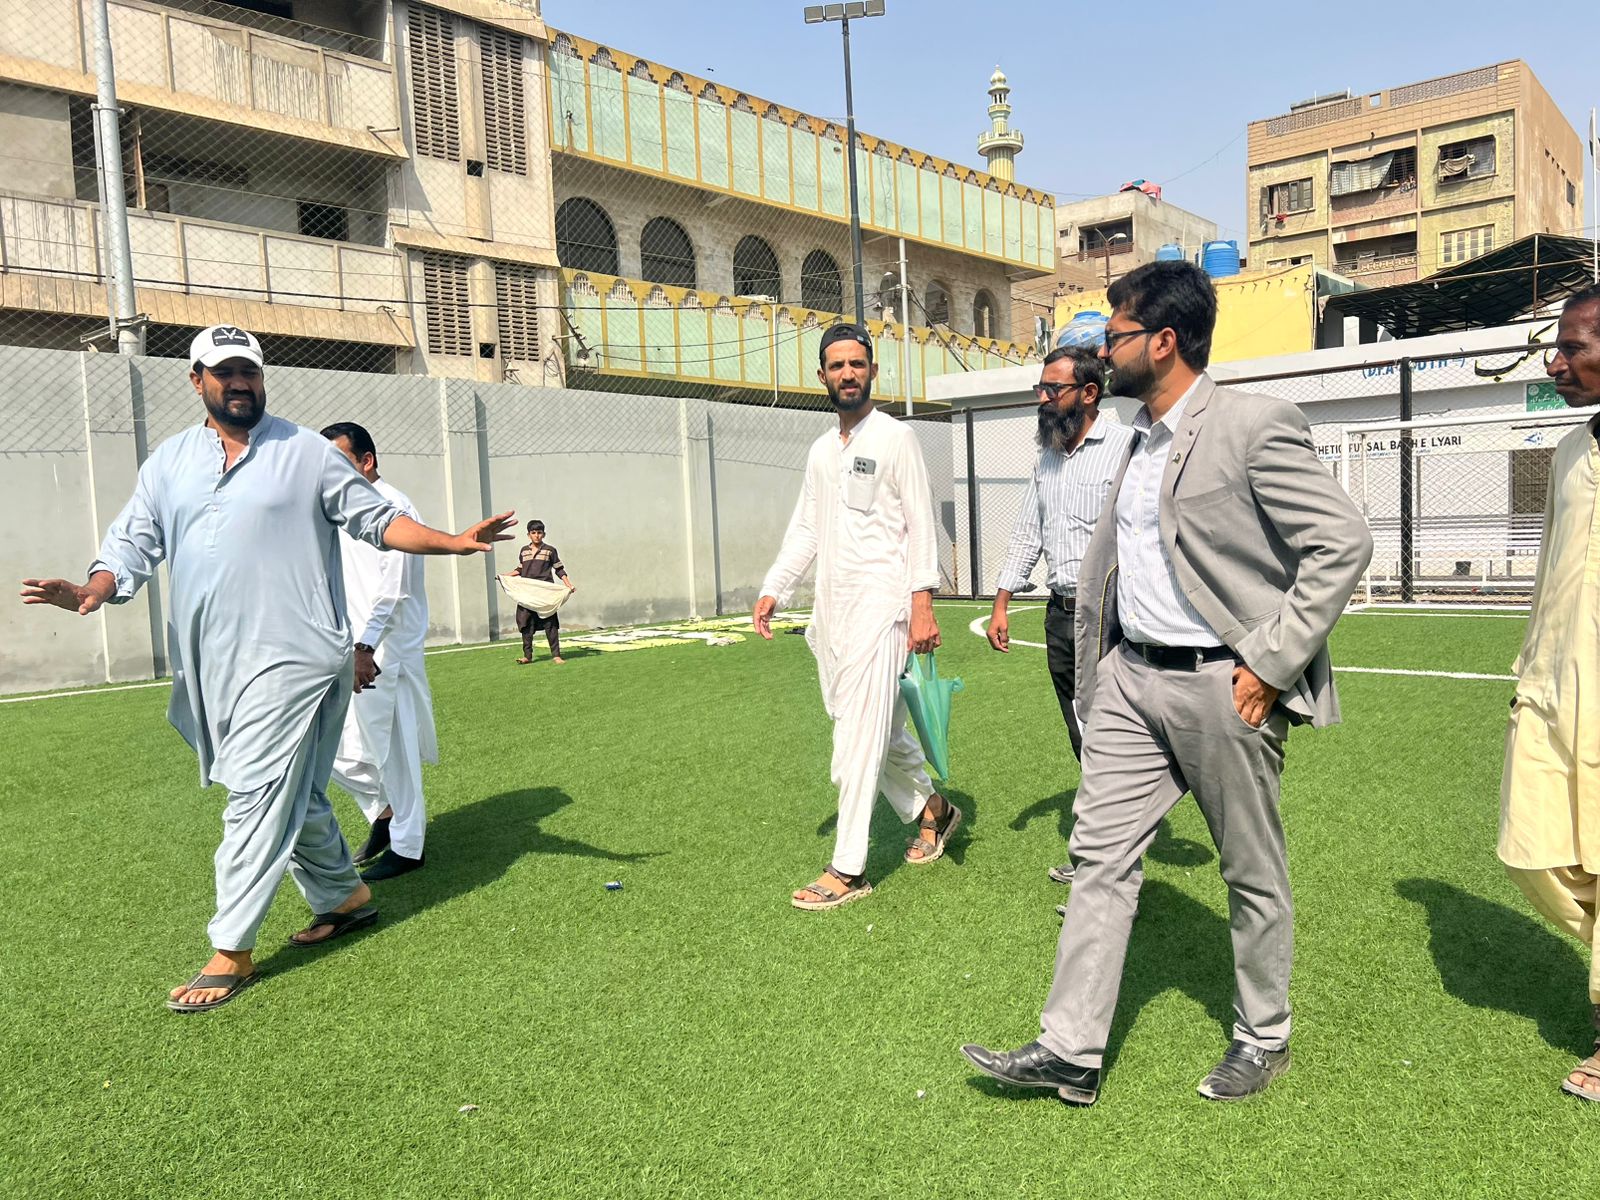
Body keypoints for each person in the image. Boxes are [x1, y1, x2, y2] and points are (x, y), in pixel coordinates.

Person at [961, 261, 1372, 1104]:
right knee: (1097, 858)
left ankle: (1264, 1036)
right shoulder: (1135, 438)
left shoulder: (1253, 424)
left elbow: (1344, 544)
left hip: (1225, 687)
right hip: (1131, 680)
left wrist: (1271, 661)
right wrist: (1107, 664)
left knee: (1249, 870)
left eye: (1113, 336)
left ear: (1164, 340)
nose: (1102, 351)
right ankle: (1070, 1050)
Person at [20, 325, 514, 1014]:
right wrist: (96, 587)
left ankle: (232, 948)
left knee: (255, 791)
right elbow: (135, 539)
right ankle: (344, 896)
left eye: (249, 370)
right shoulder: (169, 464)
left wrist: (453, 542)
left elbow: (376, 519)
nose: (240, 382)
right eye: (224, 372)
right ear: (197, 381)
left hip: (299, 656)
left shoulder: (306, 453)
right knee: (294, 791)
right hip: (215, 665)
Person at [754, 322, 953, 911]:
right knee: (876, 730)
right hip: (832, 616)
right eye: (837, 365)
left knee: (855, 745)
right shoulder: (820, 451)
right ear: (822, 375)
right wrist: (774, 587)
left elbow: (921, 524)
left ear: (872, 371)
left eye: (857, 364)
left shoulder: (897, 439)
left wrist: (922, 606)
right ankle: (933, 811)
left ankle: (848, 868)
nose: (848, 374)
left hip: (884, 612)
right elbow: (806, 530)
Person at [1498, 283, 1600, 1101]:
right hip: (1555, 682)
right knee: (1530, 848)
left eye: (1574, 347)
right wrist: (1529, 667)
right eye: (1555, 346)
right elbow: (1548, 573)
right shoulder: (1570, 448)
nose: (1556, 362)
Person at [989, 344, 1134, 885]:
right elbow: (1029, 533)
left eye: (1054, 390)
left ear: (1089, 394)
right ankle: (1104, 850)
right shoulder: (1046, 461)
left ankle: (1103, 856)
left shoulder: (1125, 446)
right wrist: (1003, 601)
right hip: (1060, 615)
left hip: (1114, 613)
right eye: (1041, 389)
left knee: (1111, 732)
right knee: (1081, 731)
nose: (1043, 399)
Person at [321, 421, 437, 882]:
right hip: (345, 649)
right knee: (337, 751)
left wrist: (366, 645)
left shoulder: (394, 507)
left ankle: (409, 846)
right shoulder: (338, 512)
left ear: (366, 461)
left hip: (384, 649)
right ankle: (384, 814)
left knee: (395, 749)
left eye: (338, 462)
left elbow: (393, 590)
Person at [515, 520, 575, 664]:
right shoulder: (524, 551)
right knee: (525, 623)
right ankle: (527, 656)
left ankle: (556, 655)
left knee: (551, 624)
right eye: (533, 533)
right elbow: (520, 569)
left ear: (544, 534)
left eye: (539, 532)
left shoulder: (550, 550)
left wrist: (569, 585)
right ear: (528, 534)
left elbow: (559, 569)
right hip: (527, 593)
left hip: (545, 593)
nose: (536, 536)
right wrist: (504, 577)